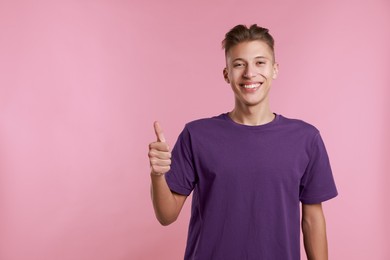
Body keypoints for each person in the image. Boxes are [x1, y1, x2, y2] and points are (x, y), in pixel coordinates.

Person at [148, 24, 338, 260]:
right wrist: (158, 176)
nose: (250, 73)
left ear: (275, 69)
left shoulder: (306, 139)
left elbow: (312, 219)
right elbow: (166, 216)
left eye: (260, 62)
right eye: (239, 64)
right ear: (226, 73)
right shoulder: (197, 135)